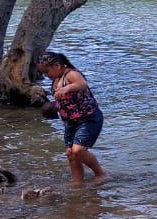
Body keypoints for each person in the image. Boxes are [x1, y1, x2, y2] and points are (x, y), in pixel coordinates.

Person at [35, 52, 107, 184]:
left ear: (57, 65)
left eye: (46, 72)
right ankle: (77, 180)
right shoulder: (56, 79)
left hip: (88, 119)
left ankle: (100, 173)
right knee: (70, 154)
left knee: (78, 150)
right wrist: (53, 107)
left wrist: (67, 88)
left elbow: (82, 84)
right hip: (70, 122)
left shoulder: (71, 74)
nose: (46, 75)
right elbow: (67, 102)